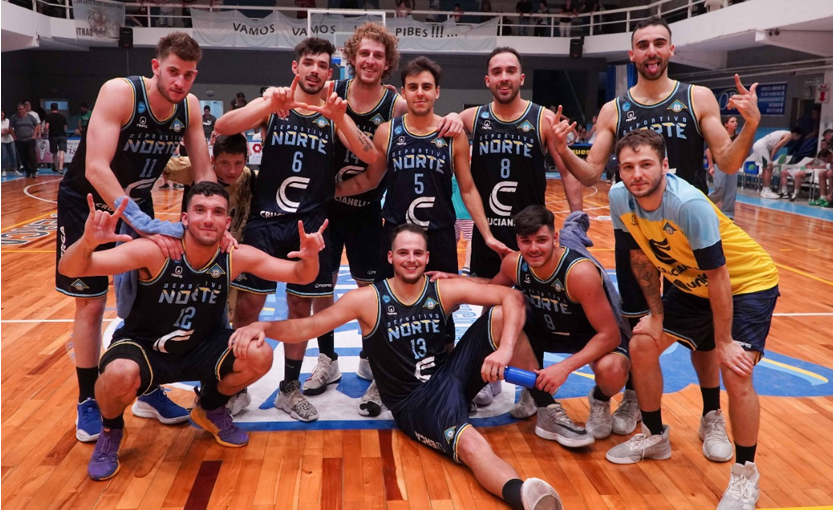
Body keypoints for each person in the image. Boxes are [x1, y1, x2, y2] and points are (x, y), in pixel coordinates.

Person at [230, 223, 564, 510]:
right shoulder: (368, 300)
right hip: (416, 403)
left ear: (427, 258)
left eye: (417, 253)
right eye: (403, 253)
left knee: (503, 314)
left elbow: (512, 297)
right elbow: (308, 327)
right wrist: (265, 327)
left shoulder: (441, 290)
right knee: (471, 444)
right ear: (390, 257)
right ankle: (523, 495)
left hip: (451, 376)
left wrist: (504, 351)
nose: (411, 259)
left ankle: (545, 405)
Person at [551, 16, 760, 456]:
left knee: (706, 332)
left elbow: (727, 162)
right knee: (639, 321)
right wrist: (562, 148)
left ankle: (710, 413)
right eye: (643, 44)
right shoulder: (615, 109)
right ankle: (634, 396)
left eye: (658, 43)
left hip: (691, 231)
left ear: (671, 50)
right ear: (632, 54)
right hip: (637, 231)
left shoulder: (696, 97)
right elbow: (590, 173)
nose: (651, 51)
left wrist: (749, 126)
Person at [58, 182, 327, 481]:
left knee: (259, 353)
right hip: (145, 346)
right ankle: (111, 430)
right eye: (200, 210)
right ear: (185, 218)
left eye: (217, 212)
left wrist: (310, 256)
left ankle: (210, 407)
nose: (208, 219)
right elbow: (71, 269)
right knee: (117, 373)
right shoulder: (154, 251)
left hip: (202, 347)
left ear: (227, 222)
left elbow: (301, 275)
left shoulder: (235, 256)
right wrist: (87, 243)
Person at [605, 129, 779, 510]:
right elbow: (639, 256)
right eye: (628, 167)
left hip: (745, 282)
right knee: (641, 345)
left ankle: (745, 474)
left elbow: (719, 275)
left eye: (646, 164)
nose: (637, 174)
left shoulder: (688, 204)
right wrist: (656, 315)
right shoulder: (619, 197)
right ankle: (654, 435)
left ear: (665, 165)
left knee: (735, 370)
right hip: (691, 283)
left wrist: (725, 341)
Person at [55, 32, 215, 443]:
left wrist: (213, 221)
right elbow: (95, 168)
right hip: (89, 204)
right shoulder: (120, 93)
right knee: (91, 304)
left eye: (189, 75)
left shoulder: (188, 107)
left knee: (150, 301)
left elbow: (203, 172)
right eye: (173, 71)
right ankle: (88, 399)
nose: (180, 82)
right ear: (156, 66)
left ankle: (147, 389)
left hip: (136, 204)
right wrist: (143, 222)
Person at [214, 38, 378, 423]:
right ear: (295, 68)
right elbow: (223, 126)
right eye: (308, 63)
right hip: (266, 221)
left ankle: (289, 387)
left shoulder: (332, 113)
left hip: (311, 226)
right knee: (249, 306)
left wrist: (341, 118)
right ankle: (236, 386)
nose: (314, 70)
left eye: (322, 65)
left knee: (300, 308)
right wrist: (268, 104)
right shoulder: (274, 105)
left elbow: (370, 154)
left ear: (330, 73)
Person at [315, 23, 464, 406]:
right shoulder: (331, 92)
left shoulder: (396, 107)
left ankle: (386, 365)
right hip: (328, 207)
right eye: (363, 53)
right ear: (352, 57)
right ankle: (328, 359)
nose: (369, 60)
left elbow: (421, 119)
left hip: (374, 214)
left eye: (378, 55)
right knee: (321, 289)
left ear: (387, 64)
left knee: (388, 297)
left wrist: (455, 117)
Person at [430, 205, 631, 448]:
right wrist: (456, 280)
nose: (534, 248)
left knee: (613, 369)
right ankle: (544, 403)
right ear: (518, 241)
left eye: (541, 240)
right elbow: (492, 289)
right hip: (544, 332)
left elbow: (609, 335)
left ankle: (600, 399)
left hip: (587, 336)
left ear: (555, 238)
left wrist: (564, 368)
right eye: (526, 241)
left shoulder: (579, 273)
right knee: (503, 314)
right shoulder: (514, 263)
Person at [459, 47, 582, 284]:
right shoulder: (472, 118)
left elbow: (568, 173)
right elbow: (431, 122)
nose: (504, 77)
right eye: (497, 72)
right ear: (488, 80)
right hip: (489, 234)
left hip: (531, 235)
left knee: (530, 301)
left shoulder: (543, 119)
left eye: (511, 71)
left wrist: (577, 223)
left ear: (521, 78)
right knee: (489, 300)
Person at [707, 116, 740, 220]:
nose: (735, 123)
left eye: (736, 121)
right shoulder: (720, 136)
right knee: (720, 188)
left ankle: (728, 215)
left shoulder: (738, 137)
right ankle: (705, 202)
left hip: (732, 165)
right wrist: (711, 166)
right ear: (726, 124)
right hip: (719, 164)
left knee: (731, 191)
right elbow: (709, 151)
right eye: (732, 121)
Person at [752, 128, 799, 199]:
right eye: (798, 137)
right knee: (768, 167)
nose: (796, 139)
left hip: (758, 145)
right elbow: (777, 147)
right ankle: (767, 190)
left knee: (765, 168)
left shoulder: (784, 132)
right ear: (796, 134)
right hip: (761, 147)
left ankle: (764, 190)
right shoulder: (789, 136)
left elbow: (772, 146)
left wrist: (769, 158)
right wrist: (771, 159)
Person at [9, 102, 40, 178]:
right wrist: (14, 137)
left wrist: (34, 135)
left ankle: (34, 171)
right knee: (23, 157)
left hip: (30, 139)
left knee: (31, 155)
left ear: (25, 109)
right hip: (19, 140)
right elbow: (10, 128)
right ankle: (28, 172)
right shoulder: (14, 117)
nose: (20, 111)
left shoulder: (30, 117)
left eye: (21, 109)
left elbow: (36, 125)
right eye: (18, 109)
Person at [44, 102, 69, 174]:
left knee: (54, 152)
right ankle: (61, 168)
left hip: (53, 136)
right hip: (62, 135)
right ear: (57, 108)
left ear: (51, 108)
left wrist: (45, 134)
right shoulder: (62, 117)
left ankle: (56, 167)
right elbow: (65, 128)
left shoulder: (48, 116)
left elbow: (46, 127)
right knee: (62, 151)